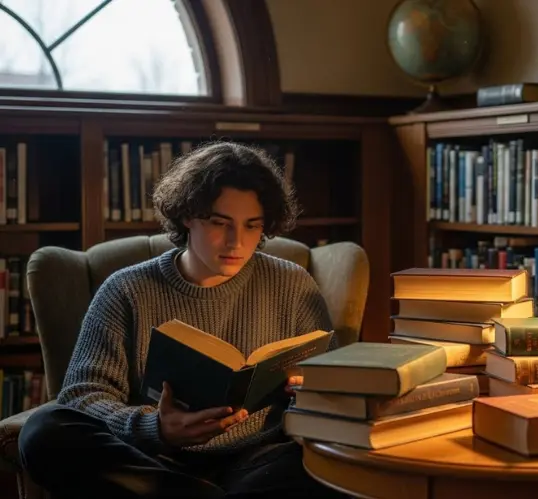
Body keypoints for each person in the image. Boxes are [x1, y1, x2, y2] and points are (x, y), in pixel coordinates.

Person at [18, 142, 349, 499]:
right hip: (152, 460)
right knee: (44, 431)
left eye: (252, 226)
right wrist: (155, 427)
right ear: (187, 215)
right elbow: (82, 395)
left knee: (319, 467)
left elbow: (333, 388)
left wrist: (307, 390)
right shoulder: (128, 289)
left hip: (259, 461)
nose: (237, 242)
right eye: (219, 223)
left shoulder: (292, 283)